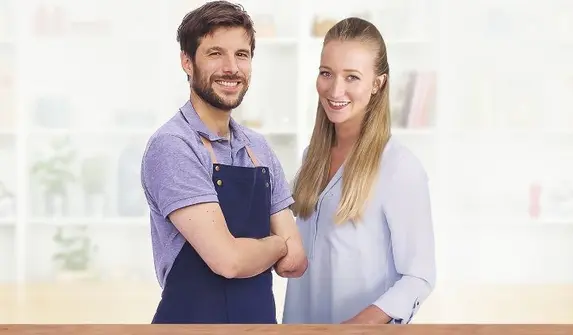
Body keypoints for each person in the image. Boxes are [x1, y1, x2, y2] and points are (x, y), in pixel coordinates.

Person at [140, 1, 307, 324]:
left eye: (241, 55)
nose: (231, 67)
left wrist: (262, 252)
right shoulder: (174, 146)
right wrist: (275, 244)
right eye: (215, 53)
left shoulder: (258, 148)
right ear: (187, 62)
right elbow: (228, 261)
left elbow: (295, 261)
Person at [282, 17, 436, 324]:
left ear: (378, 83)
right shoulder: (311, 159)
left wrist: (354, 327)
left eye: (352, 77)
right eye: (326, 73)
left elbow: (419, 277)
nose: (335, 88)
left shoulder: (399, 168)